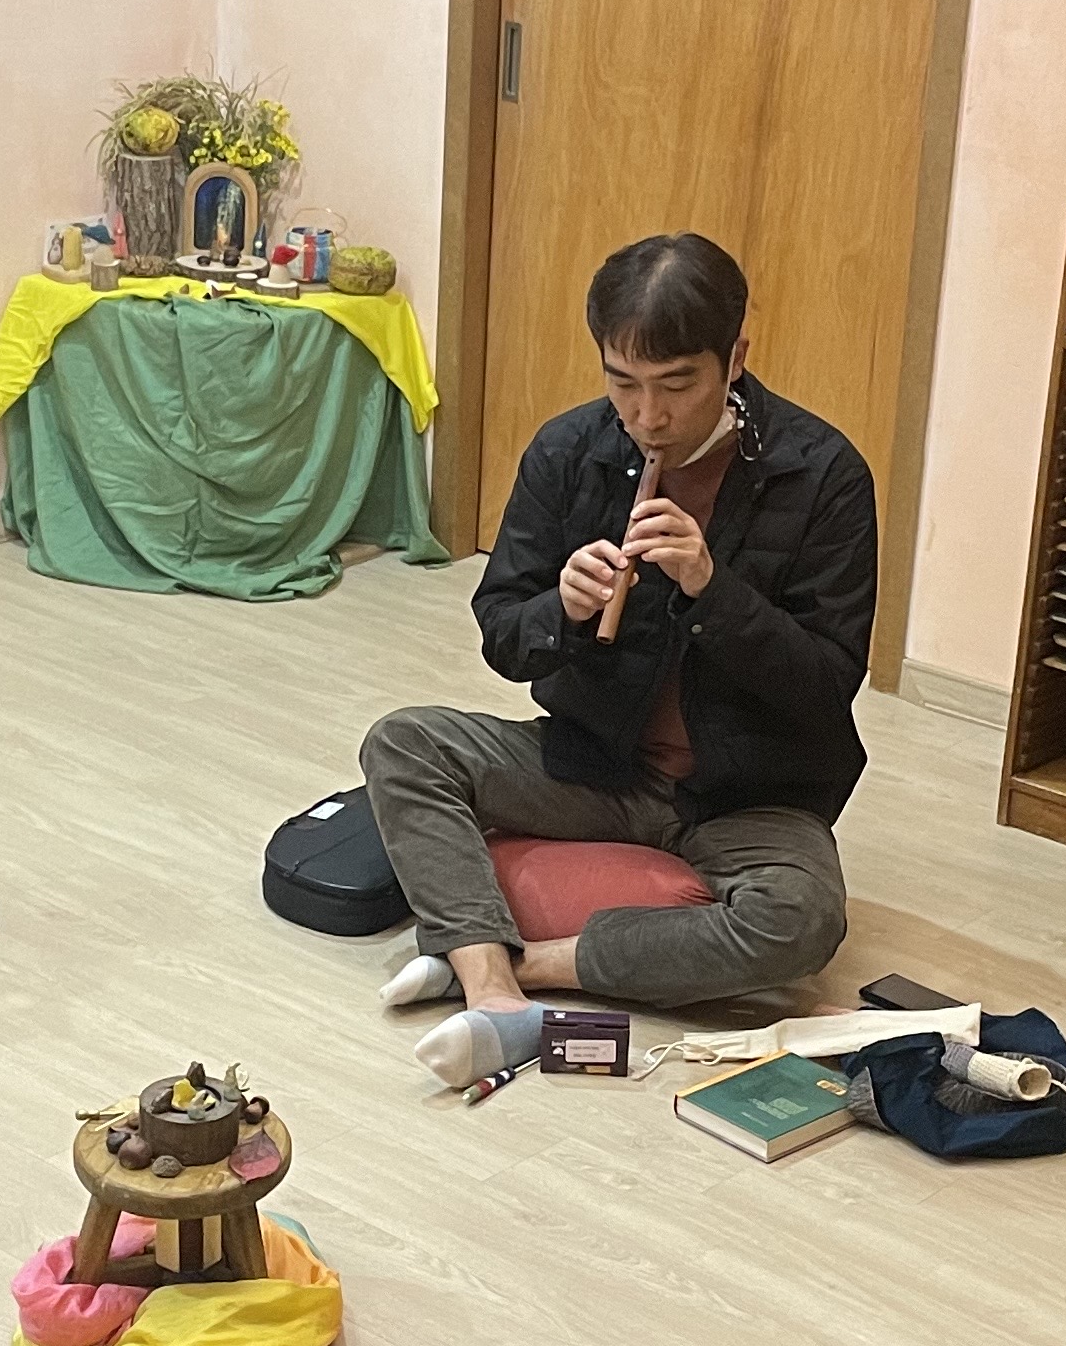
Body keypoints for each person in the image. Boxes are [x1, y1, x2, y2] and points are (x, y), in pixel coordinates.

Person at [361, 233, 878, 1085]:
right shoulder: (572, 450)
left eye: (676, 384)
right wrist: (560, 609)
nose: (647, 415)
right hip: (597, 761)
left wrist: (713, 590)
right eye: (623, 382)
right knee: (404, 742)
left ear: (735, 359)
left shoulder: (822, 474)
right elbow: (502, 632)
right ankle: (493, 996)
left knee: (803, 923)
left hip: (749, 792)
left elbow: (827, 686)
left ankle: (521, 962)